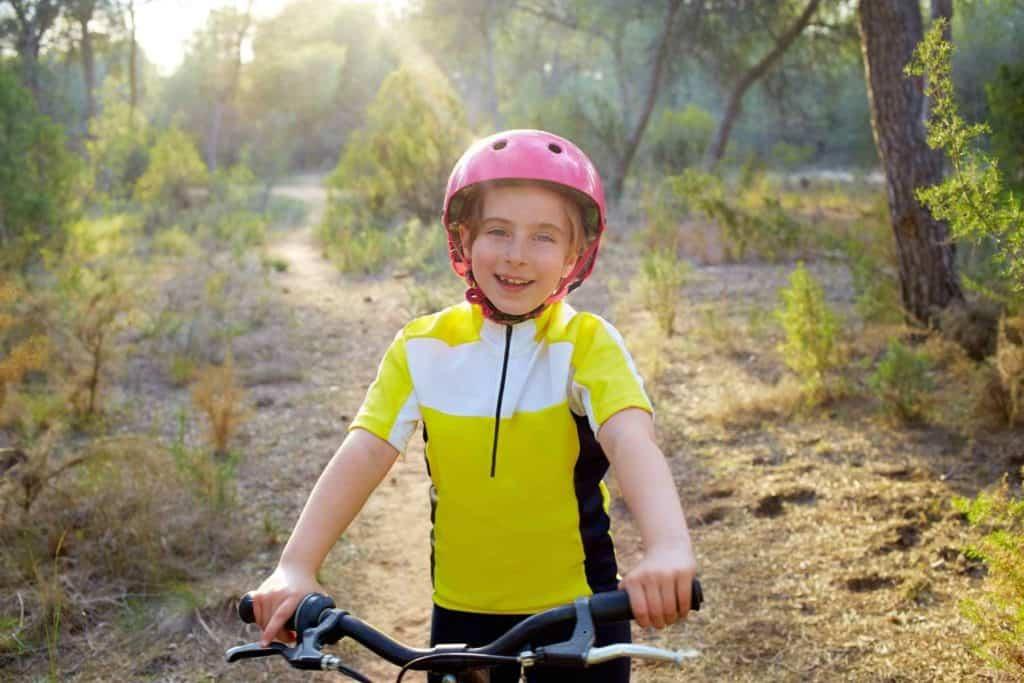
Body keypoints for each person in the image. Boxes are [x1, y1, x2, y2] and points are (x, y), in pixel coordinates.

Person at [249, 129, 697, 682]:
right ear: (463, 239)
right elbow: (364, 450)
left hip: (580, 612)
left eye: (543, 237)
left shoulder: (587, 343)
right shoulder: (421, 346)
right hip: (461, 618)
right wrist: (296, 565)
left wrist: (668, 546)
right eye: (497, 231)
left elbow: (631, 440)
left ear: (575, 255)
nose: (515, 254)